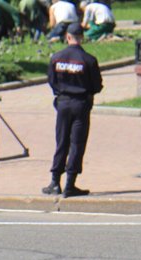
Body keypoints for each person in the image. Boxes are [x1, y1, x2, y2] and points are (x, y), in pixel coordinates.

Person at [44, 22, 102, 198]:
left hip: (63, 104)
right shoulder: (89, 60)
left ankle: (55, 182)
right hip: (81, 105)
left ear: (67, 37)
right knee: (77, 143)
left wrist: (61, 92)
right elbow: (97, 86)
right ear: (82, 37)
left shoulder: (56, 58)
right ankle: (70, 184)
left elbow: (51, 81)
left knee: (61, 141)